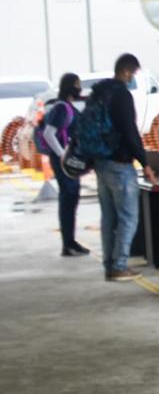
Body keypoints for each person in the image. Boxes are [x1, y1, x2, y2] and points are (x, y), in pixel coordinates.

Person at [91, 53, 156, 282]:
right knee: (128, 217)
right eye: (133, 74)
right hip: (119, 164)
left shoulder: (100, 94)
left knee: (108, 217)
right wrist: (145, 162)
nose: (132, 79)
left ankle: (109, 264)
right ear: (127, 72)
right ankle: (119, 266)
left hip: (100, 162)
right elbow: (129, 131)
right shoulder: (122, 96)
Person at [40, 72, 89, 257]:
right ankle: (68, 244)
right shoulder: (61, 108)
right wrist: (63, 156)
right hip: (63, 162)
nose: (80, 88)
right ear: (70, 86)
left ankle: (70, 242)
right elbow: (48, 134)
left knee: (71, 198)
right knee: (68, 198)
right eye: (77, 84)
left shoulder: (66, 106)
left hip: (67, 161)